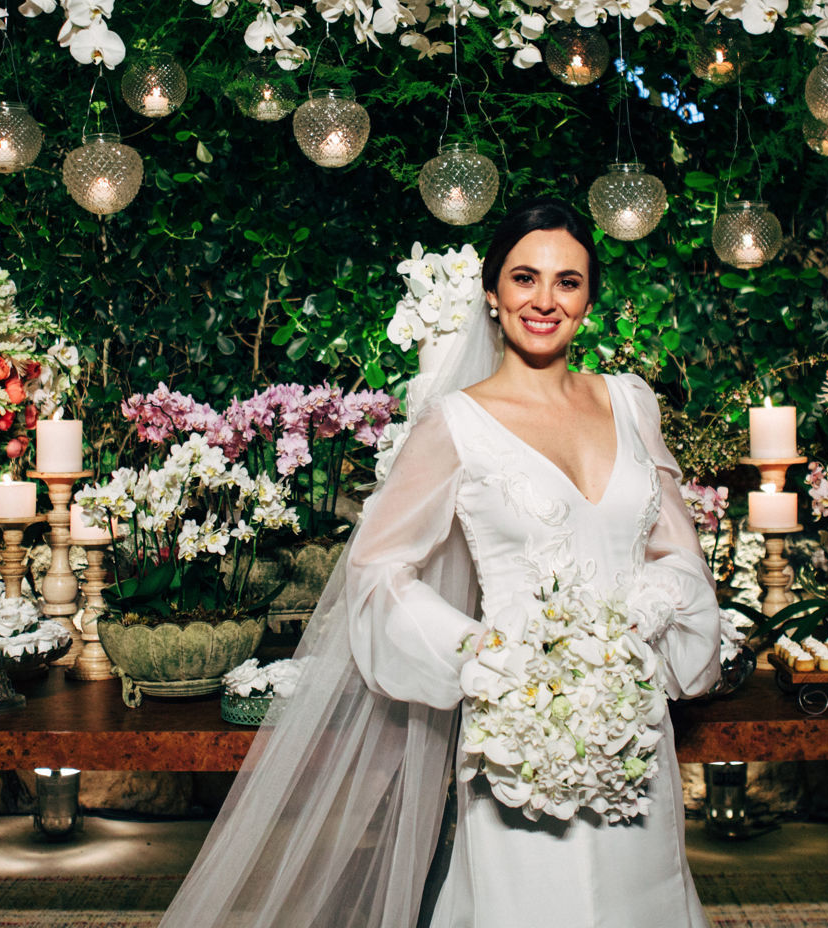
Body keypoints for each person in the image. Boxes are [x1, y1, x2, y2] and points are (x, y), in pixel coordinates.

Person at [156, 198, 730, 928]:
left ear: (590, 296)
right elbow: (374, 570)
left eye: (568, 281)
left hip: (630, 719)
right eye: (525, 278)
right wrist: (483, 654)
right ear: (493, 292)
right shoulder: (454, 423)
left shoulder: (630, 403)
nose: (545, 300)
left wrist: (643, 614)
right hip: (518, 724)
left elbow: (680, 553)